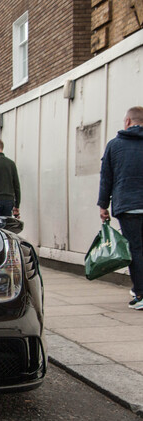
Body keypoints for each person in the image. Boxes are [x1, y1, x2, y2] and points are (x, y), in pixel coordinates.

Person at [98, 106, 143, 310]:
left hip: (128, 207)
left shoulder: (114, 145)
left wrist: (103, 205)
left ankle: (140, 294)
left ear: (127, 122)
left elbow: (106, 177)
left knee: (135, 250)